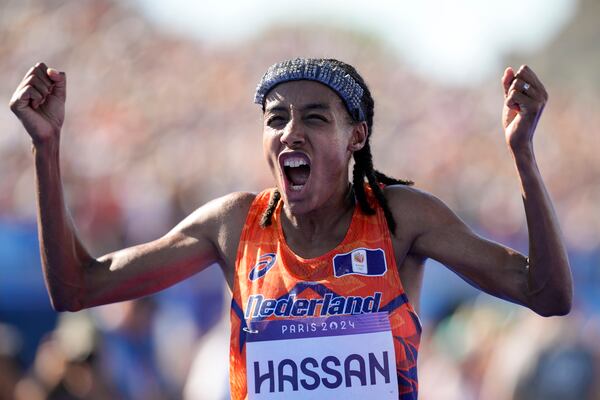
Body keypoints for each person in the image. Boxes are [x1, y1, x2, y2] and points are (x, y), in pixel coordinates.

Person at [9, 58, 573, 399]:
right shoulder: (234, 224)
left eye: (315, 117)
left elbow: (546, 294)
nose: (290, 132)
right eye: (276, 118)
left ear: (357, 135)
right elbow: (78, 288)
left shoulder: (400, 218)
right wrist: (46, 147)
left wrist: (523, 153)